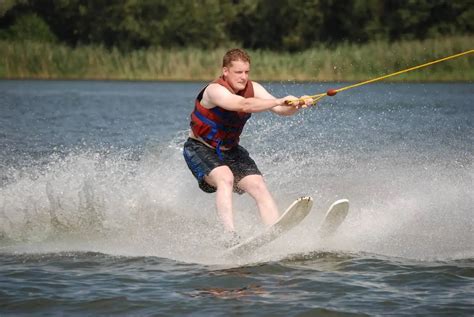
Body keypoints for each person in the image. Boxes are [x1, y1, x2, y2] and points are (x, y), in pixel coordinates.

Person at [183, 48, 313, 245]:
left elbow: (279, 109)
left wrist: (296, 106)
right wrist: (278, 100)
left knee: (258, 185)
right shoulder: (214, 90)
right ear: (225, 71)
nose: (244, 77)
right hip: (200, 149)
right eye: (238, 72)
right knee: (225, 178)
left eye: (246, 72)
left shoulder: (254, 88)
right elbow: (243, 105)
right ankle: (229, 237)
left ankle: (275, 234)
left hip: (231, 151)